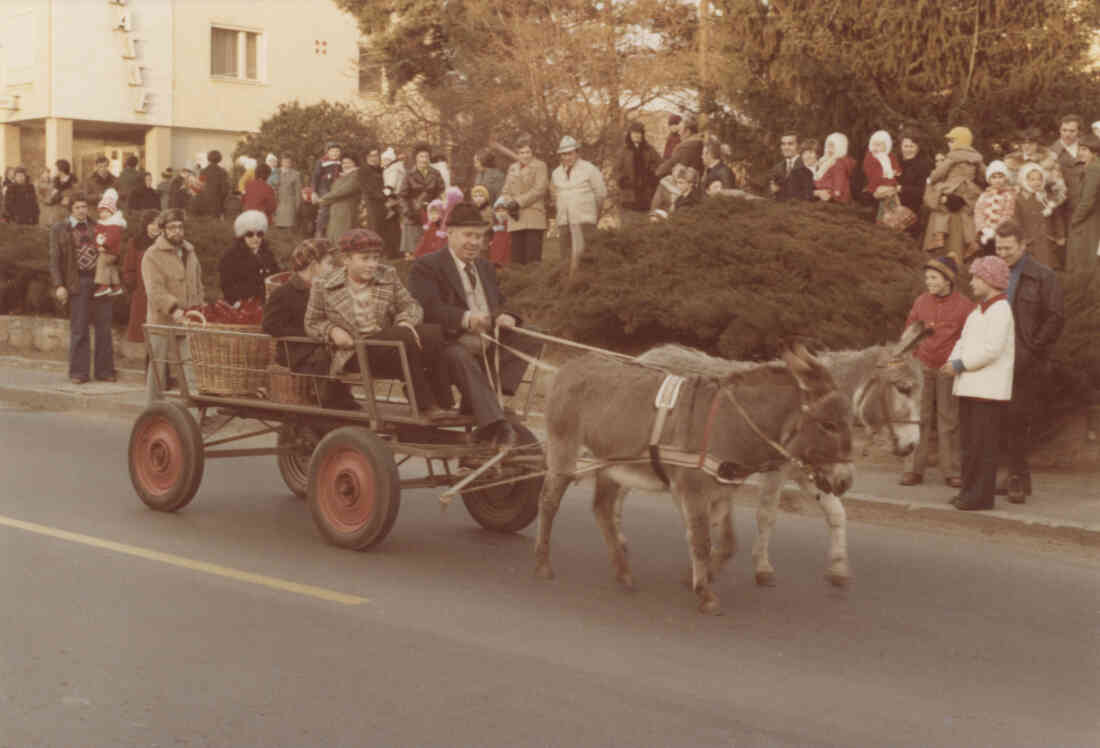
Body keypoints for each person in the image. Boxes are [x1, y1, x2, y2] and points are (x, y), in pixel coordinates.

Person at [408, 202, 544, 446]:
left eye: (479, 237)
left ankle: (490, 399)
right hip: (447, 344)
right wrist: (466, 318)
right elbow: (427, 309)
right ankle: (493, 424)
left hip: (486, 338)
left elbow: (501, 302)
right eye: (467, 235)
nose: (474, 242)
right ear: (450, 233)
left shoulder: (485, 267)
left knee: (531, 334)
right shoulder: (426, 266)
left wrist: (507, 316)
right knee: (459, 354)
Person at [304, 228, 447, 419]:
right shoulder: (323, 284)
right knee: (403, 338)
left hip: (387, 345)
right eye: (365, 259)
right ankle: (426, 403)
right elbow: (312, 322)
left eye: (376, 258)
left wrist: (405, 321)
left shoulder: (387, 275)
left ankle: (441, 400)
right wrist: (332, 330)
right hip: (353, 351)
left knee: (434, 333)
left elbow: (411, 306)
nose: (372, 264)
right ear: (346, 260)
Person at [993, 220, 1064, 504]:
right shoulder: (994, 272)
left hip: (1026, 360)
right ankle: (1015, 476)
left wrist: (1032, 349)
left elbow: (1055, 317)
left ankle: (1016, 480)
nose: (1003, 253)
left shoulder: (1044, 276)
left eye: (1008, 248)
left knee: (1018, 419)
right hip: (997, 356)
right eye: (998, 248)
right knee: (1000, 419)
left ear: (1023, 245)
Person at [941, 255, 1015, 511]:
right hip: (971, 388)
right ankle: (968, 490)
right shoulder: (977, 312)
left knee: (983, 447)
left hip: (988, 391)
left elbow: (991, 349)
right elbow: (963, 341)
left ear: (989, 281)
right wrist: (951, 360)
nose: (971, 282)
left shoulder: (1001, 310)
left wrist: (960, 365)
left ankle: (981, 496)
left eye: (975, 278)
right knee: (970, 445)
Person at [899, 255, 974, 489]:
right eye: (927, 277)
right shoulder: (921, 302)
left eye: (933, 278)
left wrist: (957, 363)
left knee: (948, 420)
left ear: (948, 280)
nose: (928, 282)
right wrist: (909, 359)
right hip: (922, 367)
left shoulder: (965, 306)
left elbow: (969, 339)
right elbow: (910, 333)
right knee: (918, 418)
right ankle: (913, 469)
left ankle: (952, 471)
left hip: (948, 369)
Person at [262, 238, 348, 406]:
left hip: (318, 344)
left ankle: (340, 394)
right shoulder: (284, 292)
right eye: (329, 263)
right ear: (314, 265)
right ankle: (326, 400)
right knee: (324, 356)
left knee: (345, 351)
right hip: (295, 350)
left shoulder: (324, 289)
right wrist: (310, 332)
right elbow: (269, 324)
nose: (333, 268)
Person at [49, 193, 117, 384]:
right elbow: (54, 259)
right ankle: (79, 372)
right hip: (77, 281)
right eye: (78, 207)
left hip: (99, 280)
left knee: (104, 327)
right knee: (79, 328)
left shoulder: (97, 227)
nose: (82, 211)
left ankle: (104, 371)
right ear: (71, 209)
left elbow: (111, 253)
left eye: (84, 207)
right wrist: (59, 285)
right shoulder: (60, 229)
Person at [142, 208, 204, 398]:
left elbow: (197, 282)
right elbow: (154, 290)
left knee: (190, 366)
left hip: (187, 320)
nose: (177, 231)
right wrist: (174, 308)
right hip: (161, 320)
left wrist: (199, 305)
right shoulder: (152, 255)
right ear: (163, 230)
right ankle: (152, 412)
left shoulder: (189, 251)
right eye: (172, 227)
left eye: (180, 227)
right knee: (157, 370)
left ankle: (191, 412)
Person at [923, 126, 984, 259]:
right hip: (969, 191)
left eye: (951, 141)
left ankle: (939, 235)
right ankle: (971, 241)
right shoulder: (977, 158)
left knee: (942, 210)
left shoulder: (953, 156)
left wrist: (932, 177)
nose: (948, 144)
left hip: (952, 187)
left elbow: (940, 172)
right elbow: (984, 175)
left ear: (959, 142)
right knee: (967, 216)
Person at [551, 136, 607, 276]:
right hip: (564, 222)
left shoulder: (589, 169)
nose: (567, 157)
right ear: (560, 155)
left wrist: (595, 215)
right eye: (564, 154)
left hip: (584, 221)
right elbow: (555, 196)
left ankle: (586, 289)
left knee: (585, 259)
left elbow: (600, 194)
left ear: (577, 152)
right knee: (566, 259)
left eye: (570, 153)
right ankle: (566, 287)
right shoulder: (556, 173)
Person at [499, 134, 548, 265]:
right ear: (517, 153)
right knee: (516, 260)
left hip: (534, 216)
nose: (525, 155)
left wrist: (517, 202)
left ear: (532, 152)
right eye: (521, 152)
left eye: (528, 152)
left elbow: (539, 190)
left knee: (532, 260)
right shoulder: (512, 168)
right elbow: (505, 190)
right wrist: (509, 203)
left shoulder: (540, 166)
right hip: (515, 218)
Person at [219, 210, 279, 304]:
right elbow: (227, 287)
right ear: (242, 236)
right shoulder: (231, 257)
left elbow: (276, 277)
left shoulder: (267, 254)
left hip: (266, 304)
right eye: (250, 234)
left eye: (259, 234)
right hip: (243, 306)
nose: (255, 238)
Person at [122, 209, 162, 347]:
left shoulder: (165, 244)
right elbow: (128, 268)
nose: (155, 227)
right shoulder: (136, 242)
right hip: (141, 295)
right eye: (152, 223)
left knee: (161, 338)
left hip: (162, 297)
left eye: (158, 224)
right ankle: (150, 368)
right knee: (146, 339)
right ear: (145, 225)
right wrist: (133, 287)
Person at [399, 143, 446, 257]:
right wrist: (408, 210)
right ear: (416, 158)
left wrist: (438, 206)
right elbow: (402, 196)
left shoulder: (435, 173)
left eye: (427, 157)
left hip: (432, 212)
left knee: (432, 246)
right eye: (421, 156)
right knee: (413, 248)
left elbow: (441, 191)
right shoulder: (409, 174)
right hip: (413, 212)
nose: (424, 159)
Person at [1014, 163, 1062, 269]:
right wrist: (1022, 240)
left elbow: (1057, 218)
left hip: (1047, 240)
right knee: (1031, 269)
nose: (1036, 182)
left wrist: (1060, 235)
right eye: (1032, 180)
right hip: (1030, 241)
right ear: (1024, 181)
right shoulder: (1019, 199)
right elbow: (1017, 222)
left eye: (1039, 179)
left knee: (1047, 268)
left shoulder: (1046, 197)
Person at [1050, 115, 1086, 246]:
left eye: (1072, 131)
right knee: (1069, 246)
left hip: (1089, 203)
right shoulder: (1051, 153)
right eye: (1064, 130)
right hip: (1065, 207)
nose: (1067, 134)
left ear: (1079, 132)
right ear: (1059, 130)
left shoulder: (1087, 147)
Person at [1067, 133, 1100, 274]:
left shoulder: (1094, 169)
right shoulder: (1089, 167)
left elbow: (1088, 200)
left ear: (1095, 152)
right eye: (1080, 149)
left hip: (1089, 221)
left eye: (1085, 149)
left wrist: (1075, 220)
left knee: (1084, 262)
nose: (1081, 152)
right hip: (1089, 219)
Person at [616, 121, 661, 214]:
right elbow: (617, 169)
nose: (636, 135)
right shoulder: (624, 151)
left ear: (642, 135)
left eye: (639, 133)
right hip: (629, 194)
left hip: (646, 193)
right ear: (630, 135)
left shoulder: (649, 150)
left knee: (644, 223)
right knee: (630, 223)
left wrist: (652, 176)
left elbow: (659, 165)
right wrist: (622, 181)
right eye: (634, 133)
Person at [974, 161, 1018, 256]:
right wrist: (984, 229)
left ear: (1005, 178)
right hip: (985, 234)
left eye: (1000, 177)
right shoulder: (984, 195)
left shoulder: (1009, 195)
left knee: (1001, 256)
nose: (997, 180)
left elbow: (1007, 214)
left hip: (1002, 233)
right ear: (989, 180)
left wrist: (994, 230)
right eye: (994, 177)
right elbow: (978, 212)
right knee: (986, 256)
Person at [320, 153, 363, 243]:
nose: (346, 165)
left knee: (343, 236)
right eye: (343, 163)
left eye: (349, 163)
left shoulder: (356, 175)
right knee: (333, 236)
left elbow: (344, 190)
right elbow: (334, 191)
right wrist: (325, 201)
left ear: (355, 163)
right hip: (335, 210)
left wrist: (324, 198)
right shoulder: (341, 176)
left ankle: (343, 255)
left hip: (346, 210)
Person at [92, 189, 126, 298]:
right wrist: (98, 245)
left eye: (106, 212)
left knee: (102, 264)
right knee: (111, 268)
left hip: (110, 251)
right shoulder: (105, 224)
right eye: (101, 212)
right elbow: (97, 236)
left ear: (112, 212)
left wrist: (104, 246)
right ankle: (116, 286)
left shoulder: (114, 224)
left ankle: (104, 285)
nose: (103, 214)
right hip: (110, 252)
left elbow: (113, 238)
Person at [862, 130, 902, 222]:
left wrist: (896, 172)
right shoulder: (871, 157)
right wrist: (890, 184)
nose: (876, 148)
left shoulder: (890, 156)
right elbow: (873, 175)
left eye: (879, 145)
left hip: (889, 187)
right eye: (874, 144)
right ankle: (882, 222)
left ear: (886, 146)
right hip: (876, 186)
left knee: (891, 205)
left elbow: (897, 169)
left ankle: (891, 221)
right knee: (884, 205)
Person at [897, 134, 932, 232]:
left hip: (911, 209)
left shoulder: (923, 165)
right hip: (892, 205)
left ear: (918, 148)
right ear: (901, 147)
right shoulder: (895, 161)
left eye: (912, 146)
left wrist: (901, 189)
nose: (908, 149)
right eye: (905, 146)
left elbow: (923, 190)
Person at [768, 132, 814, 201]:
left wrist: (779, 190)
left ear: (798, 146)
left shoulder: (805, 166)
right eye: (783, 144)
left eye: (790, 144)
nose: (786, 147)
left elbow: (807, 196)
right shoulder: (777, 168)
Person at [812, 133, 855, 204]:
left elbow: (839, 182)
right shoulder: (825, 160)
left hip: (834, 199)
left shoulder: (839, 163)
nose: (829, 149)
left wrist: (834, 194)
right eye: (828, 145)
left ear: (840, 147)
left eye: (832, 146)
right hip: (822, 195)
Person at [312, 142, 343, 238]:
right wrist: (314, 192)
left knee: (336, 210)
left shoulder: (340, 162)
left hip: (336, 189)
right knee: (324, 209)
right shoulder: (322, 162)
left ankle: (332, 233)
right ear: (328, 152)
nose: (335, 153)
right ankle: (319, 232)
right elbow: (315, 177)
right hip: (324, 188)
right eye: (332, 151)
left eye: (337, 151)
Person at [193, 149, 229, 218]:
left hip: (204, 203)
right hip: (217, 204)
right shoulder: (223, 172)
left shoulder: (203, 172)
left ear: (208, 158)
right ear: (220, 159)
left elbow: (199, 188)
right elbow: (225, 190)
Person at [360, 147, 386, 234]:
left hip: (383, 203)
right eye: (371, 156)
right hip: (372, 204)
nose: (374, 158)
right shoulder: (364, 170)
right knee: (374, 229)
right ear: (367, 157)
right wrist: (383, 196)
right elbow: (368, 189)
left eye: (376, 155)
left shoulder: (381, 169)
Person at [43, 159, 76, 226]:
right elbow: (48, 199)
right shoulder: (55, 181)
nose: (53, 171)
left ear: (61, 170)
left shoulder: (73, 182)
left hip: (69, 214)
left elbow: (75, 198)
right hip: (55, 214)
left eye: (55, 169)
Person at [273, 155, 301, 230]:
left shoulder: (296, 174)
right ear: (281, 162)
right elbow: (272, 187)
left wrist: (298, 204)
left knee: (289, 227)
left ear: (291, 163)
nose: (286, 164)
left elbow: (298, 190)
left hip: (290, 203)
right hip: (278, 202)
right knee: (278, 228)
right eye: (284, 161)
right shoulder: (275, 172)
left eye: (288, 162)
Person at [488, 197, 512, 267]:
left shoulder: (509, 223)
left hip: (506, 247)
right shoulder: (495, 224)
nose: (501, 213)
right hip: (495, 248)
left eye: (503, 210)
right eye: (498, 211)